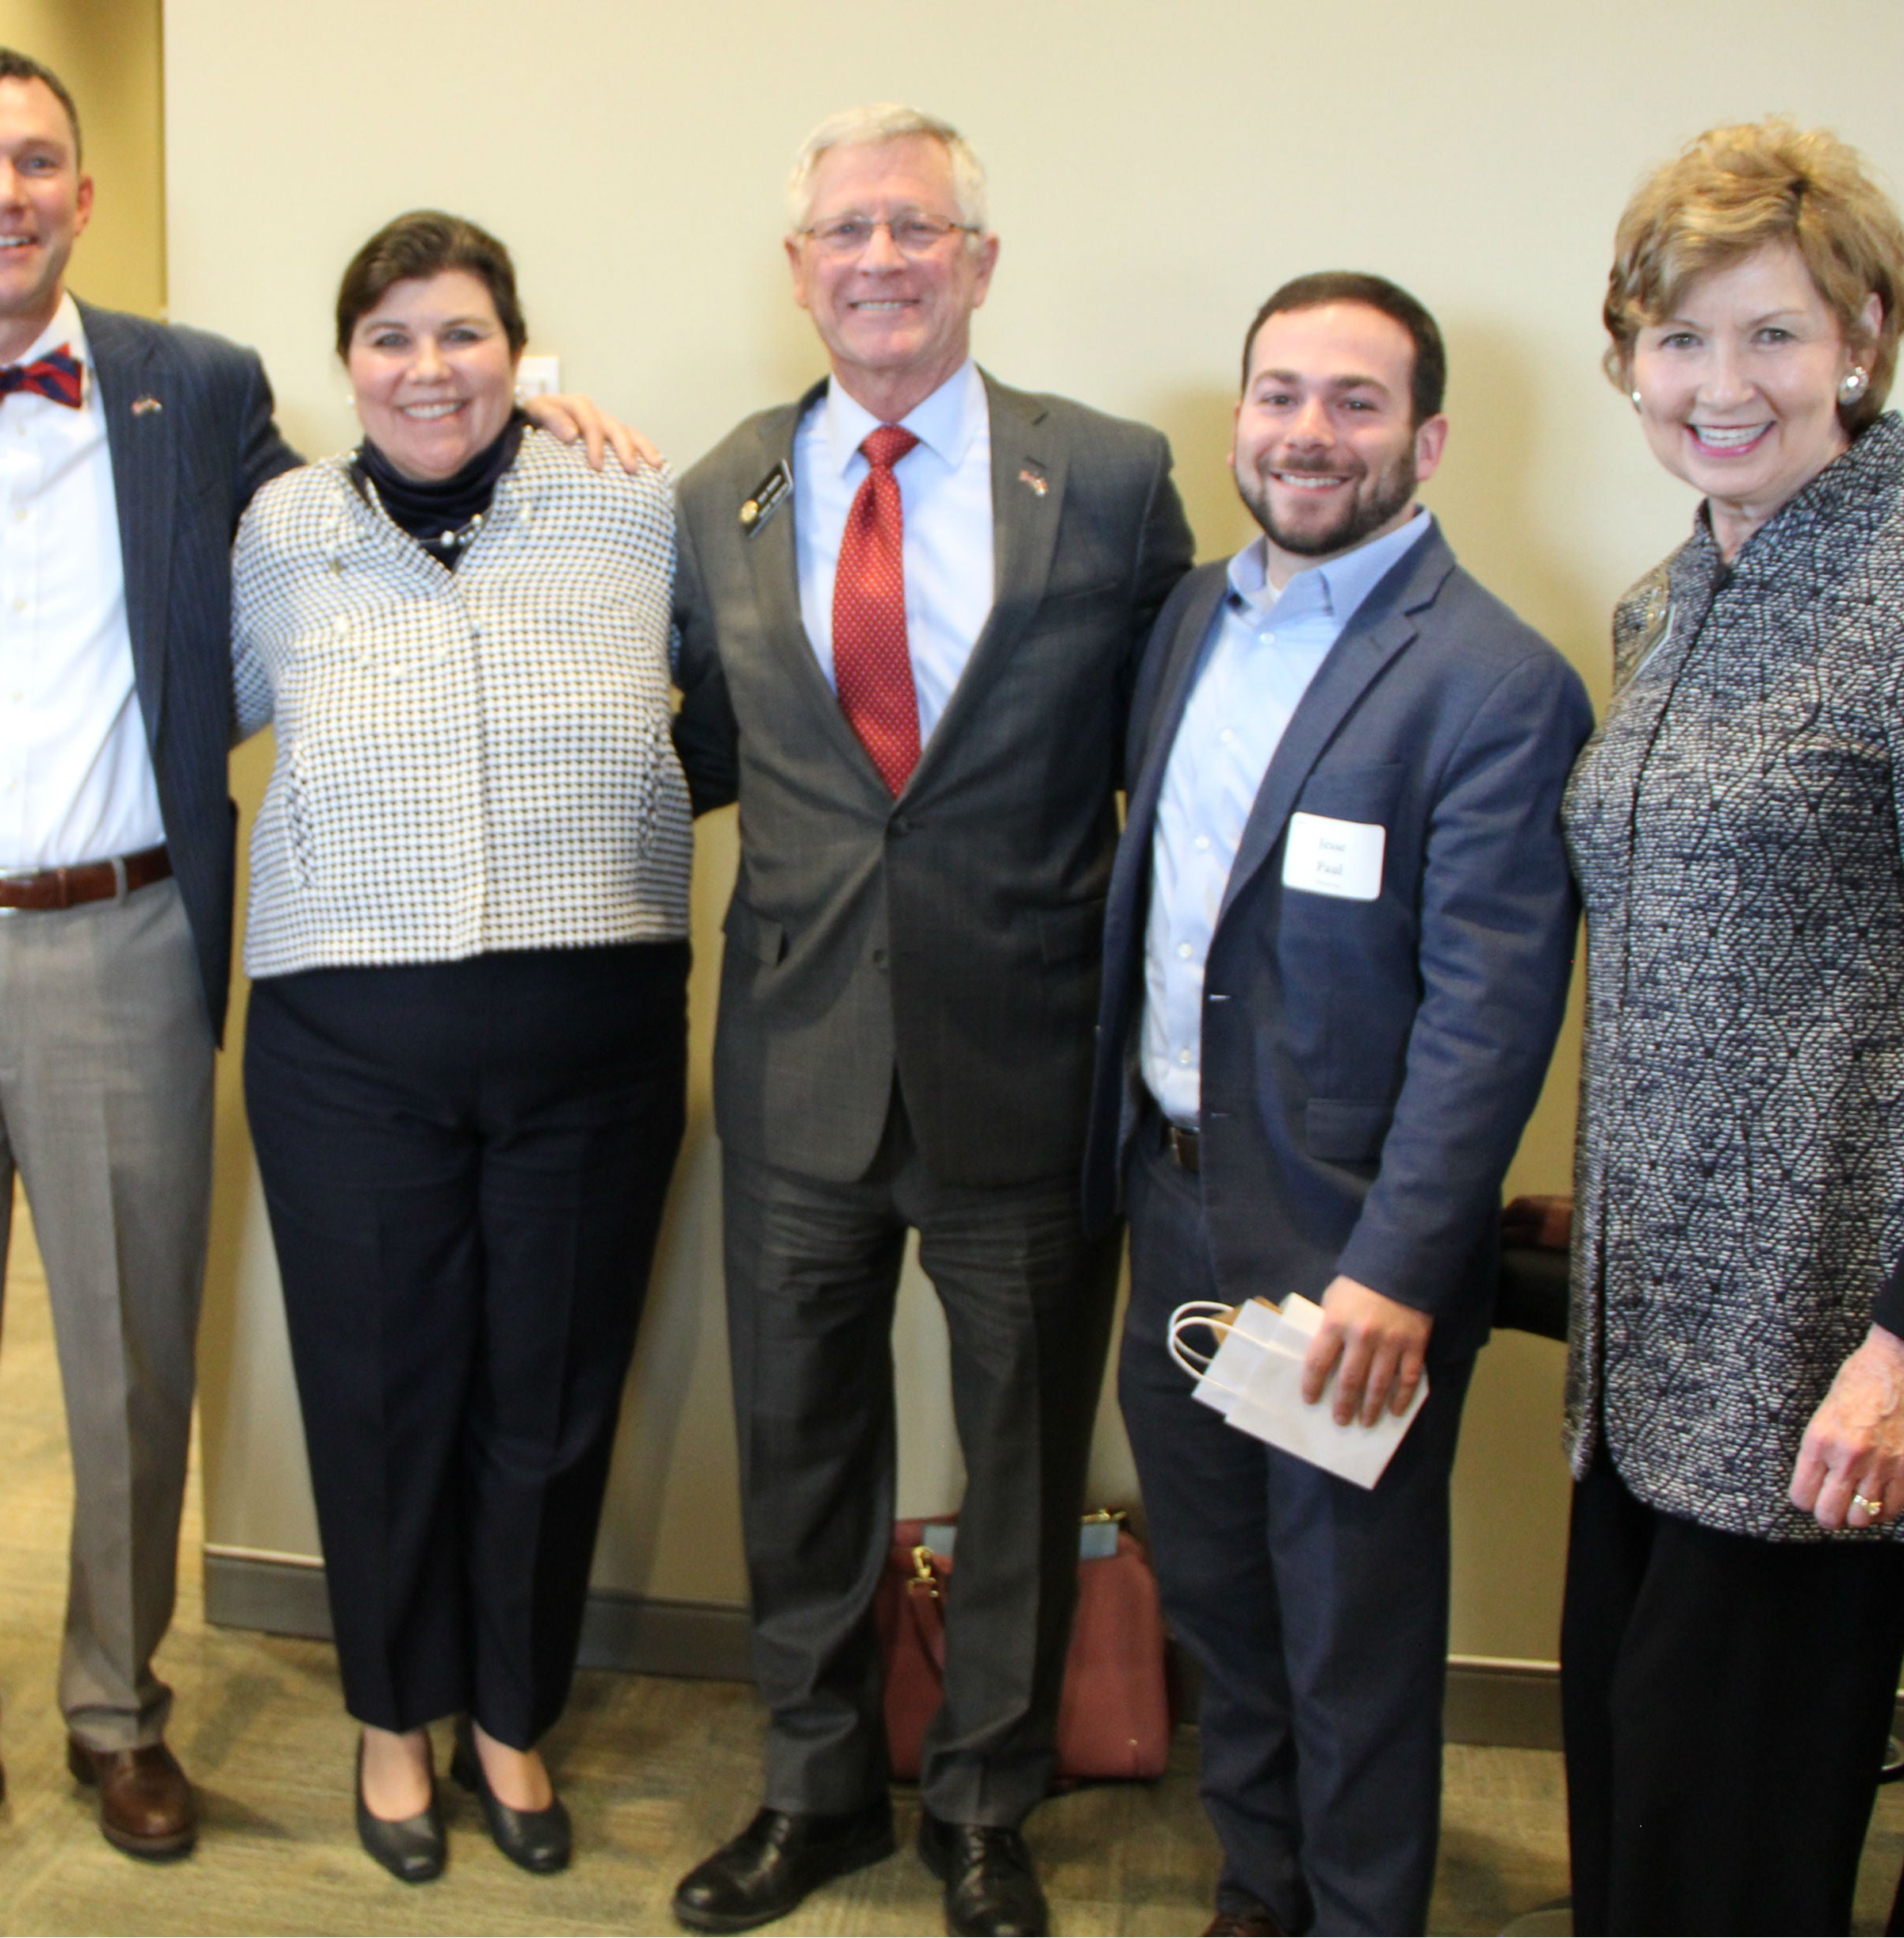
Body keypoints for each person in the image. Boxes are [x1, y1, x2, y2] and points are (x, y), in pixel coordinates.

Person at [0, 46, 649, 1902]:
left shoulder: (194, 391)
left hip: (124, 933)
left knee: (134, 1372)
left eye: (38, 161)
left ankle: (115, 1711)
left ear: (83, 196)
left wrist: (548, 413)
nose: (4, 192)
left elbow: (383, 510)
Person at [1560, 120, 1904, 1934]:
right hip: (1639, 1346)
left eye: (1772, 333)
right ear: (1626, 356)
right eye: (1679, 337)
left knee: (1727, 1854)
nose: (1721, 384)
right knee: (1632, 1815)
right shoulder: (1667, 597)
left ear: (1862, 336)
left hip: (1817, 1345)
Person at [669, 103, 1192, 1938]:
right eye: (841, 231)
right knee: (800, 1458)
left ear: (976, 259)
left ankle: (984, 1803)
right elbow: (720, 756)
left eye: (912, 227)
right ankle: (810, 1791)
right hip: (797, 1067)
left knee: (1024, 1461)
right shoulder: (719, 486)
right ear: (795, 267)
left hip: (1027, 1075)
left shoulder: (1110, 478)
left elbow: (1169, 767)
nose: (875, 259)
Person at [1083, 274, 1591, 1936]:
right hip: (1174, 1209)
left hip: (1338, 1261)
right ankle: (1259, 1888)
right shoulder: (1189, 623)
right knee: (1223, 1602)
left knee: (1345, 1631)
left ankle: (1362, 1916)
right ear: (1237, 417)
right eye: (1278, 393)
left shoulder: (1490, 684)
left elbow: (1486, 1019)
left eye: (1354, 402)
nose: (1307, 433)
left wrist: (1391, 1269)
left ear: (1424, 439)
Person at [229, 209, 690, 1886]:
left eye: (462, 334)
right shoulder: (276, 529)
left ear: (519, 351)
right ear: (344, 365)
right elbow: (183, 703)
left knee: (551, 1399)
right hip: (348, 1036)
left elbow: (733, 689)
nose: (428, 368)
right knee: (379, 1392)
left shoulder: (636, 503)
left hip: (593, 1026)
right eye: (390, 338)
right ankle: (389, 1713)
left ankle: (509, 1709)